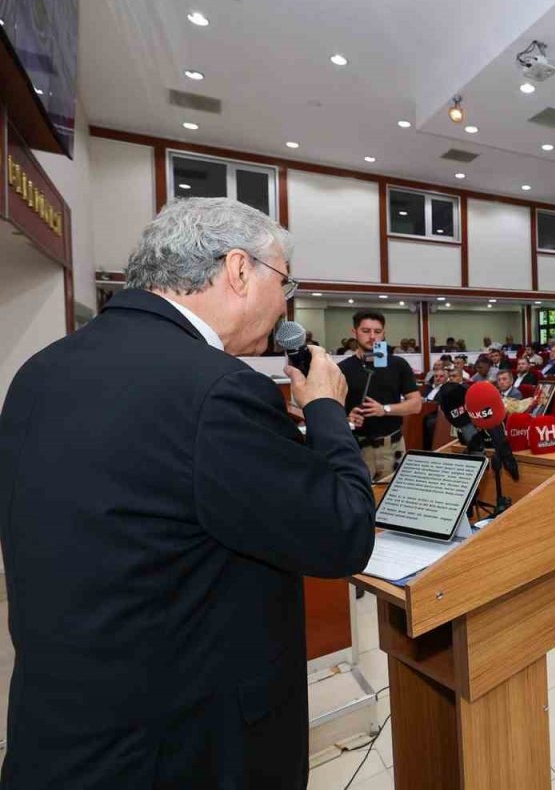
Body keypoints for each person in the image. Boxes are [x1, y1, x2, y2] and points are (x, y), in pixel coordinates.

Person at [0, 197, 375, 787]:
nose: (285, 304)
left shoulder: (40, 372)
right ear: (239, 269)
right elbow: (342, 531)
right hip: (184, 751)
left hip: (61, 737)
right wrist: (326, 407)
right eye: (285, 281)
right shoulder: (214, 391)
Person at [340, 311, 423, 479]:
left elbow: (416, 404)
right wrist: (347, 418)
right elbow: (333, 409)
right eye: (366, 331)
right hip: (357, 448)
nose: (372, 337)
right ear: (354, 332)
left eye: (377, 332)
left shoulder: (398, 364)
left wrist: (384, 409)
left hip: (392, 448)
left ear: (384, 333)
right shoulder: (342, 369)